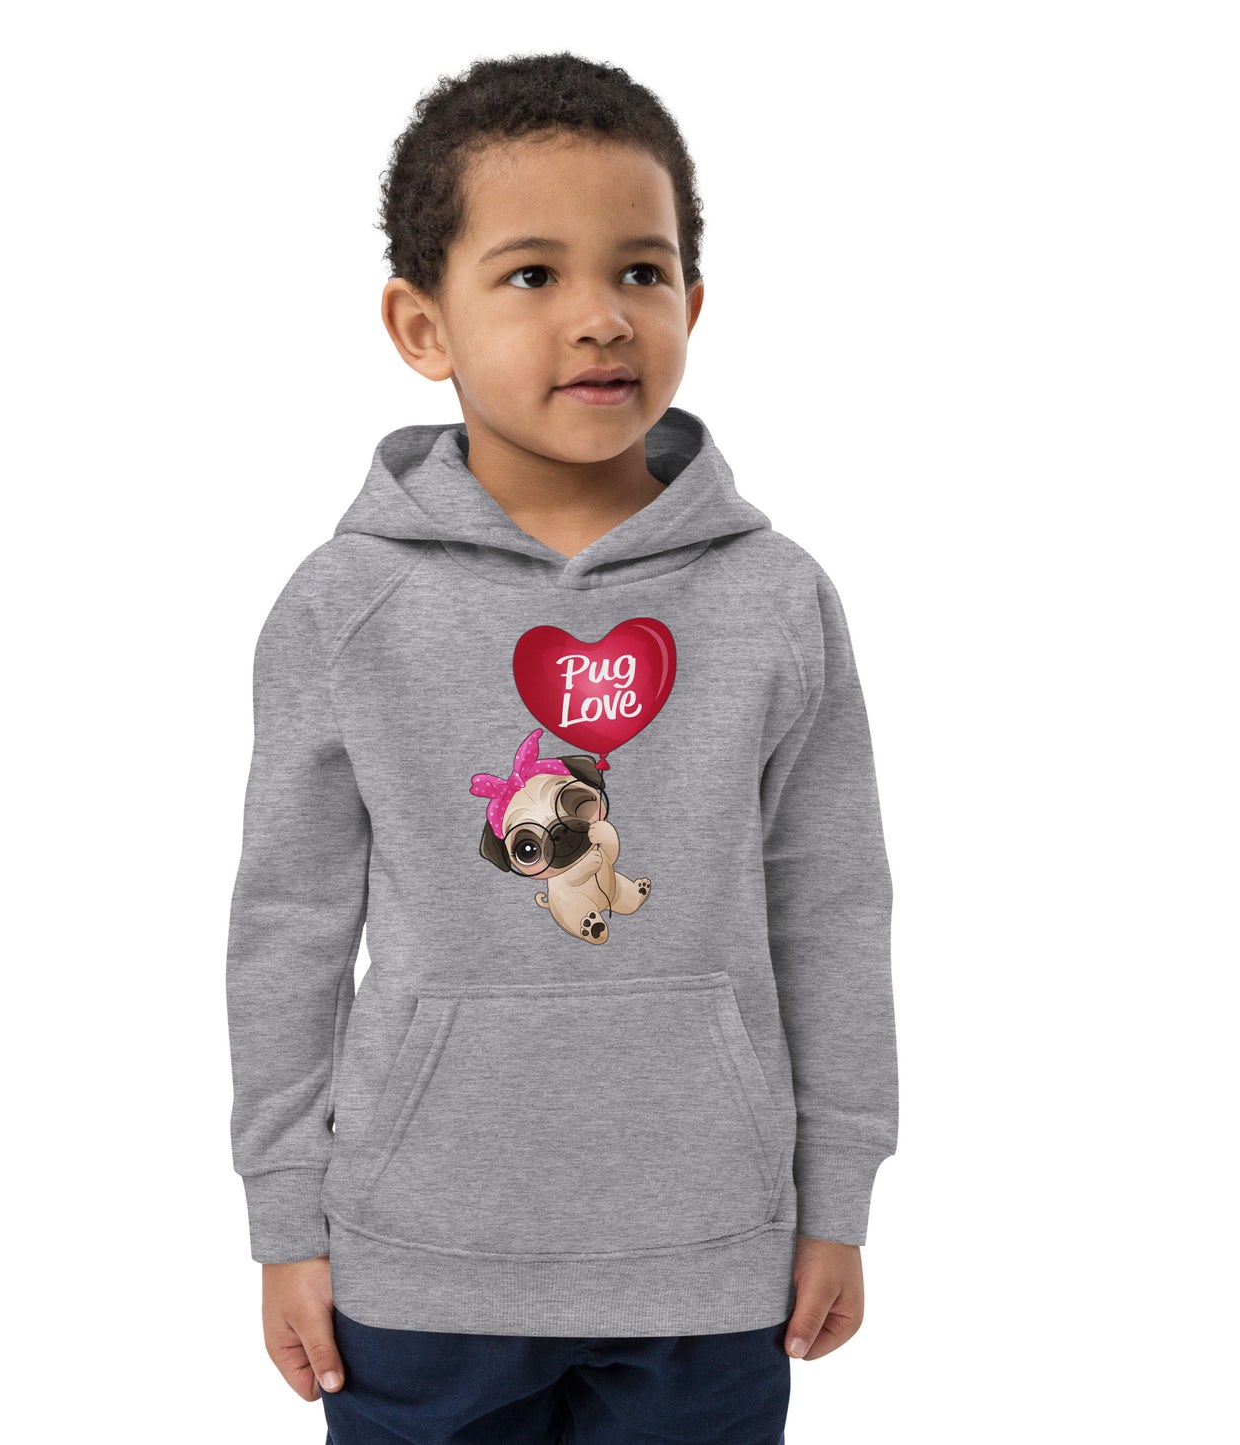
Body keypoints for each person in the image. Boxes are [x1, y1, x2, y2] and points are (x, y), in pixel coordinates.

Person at [225, 50, 899, 1445]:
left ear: (692, 304)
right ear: (422, 324)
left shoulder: (777, 600)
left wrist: (836, 1196)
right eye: (532, 274)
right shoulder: (345, 606)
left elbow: (831, 907)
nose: (600, 317)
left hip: (712, 1254)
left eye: (641, 271)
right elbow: (288, 925)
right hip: (418, 1260)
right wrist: (285, 1217)